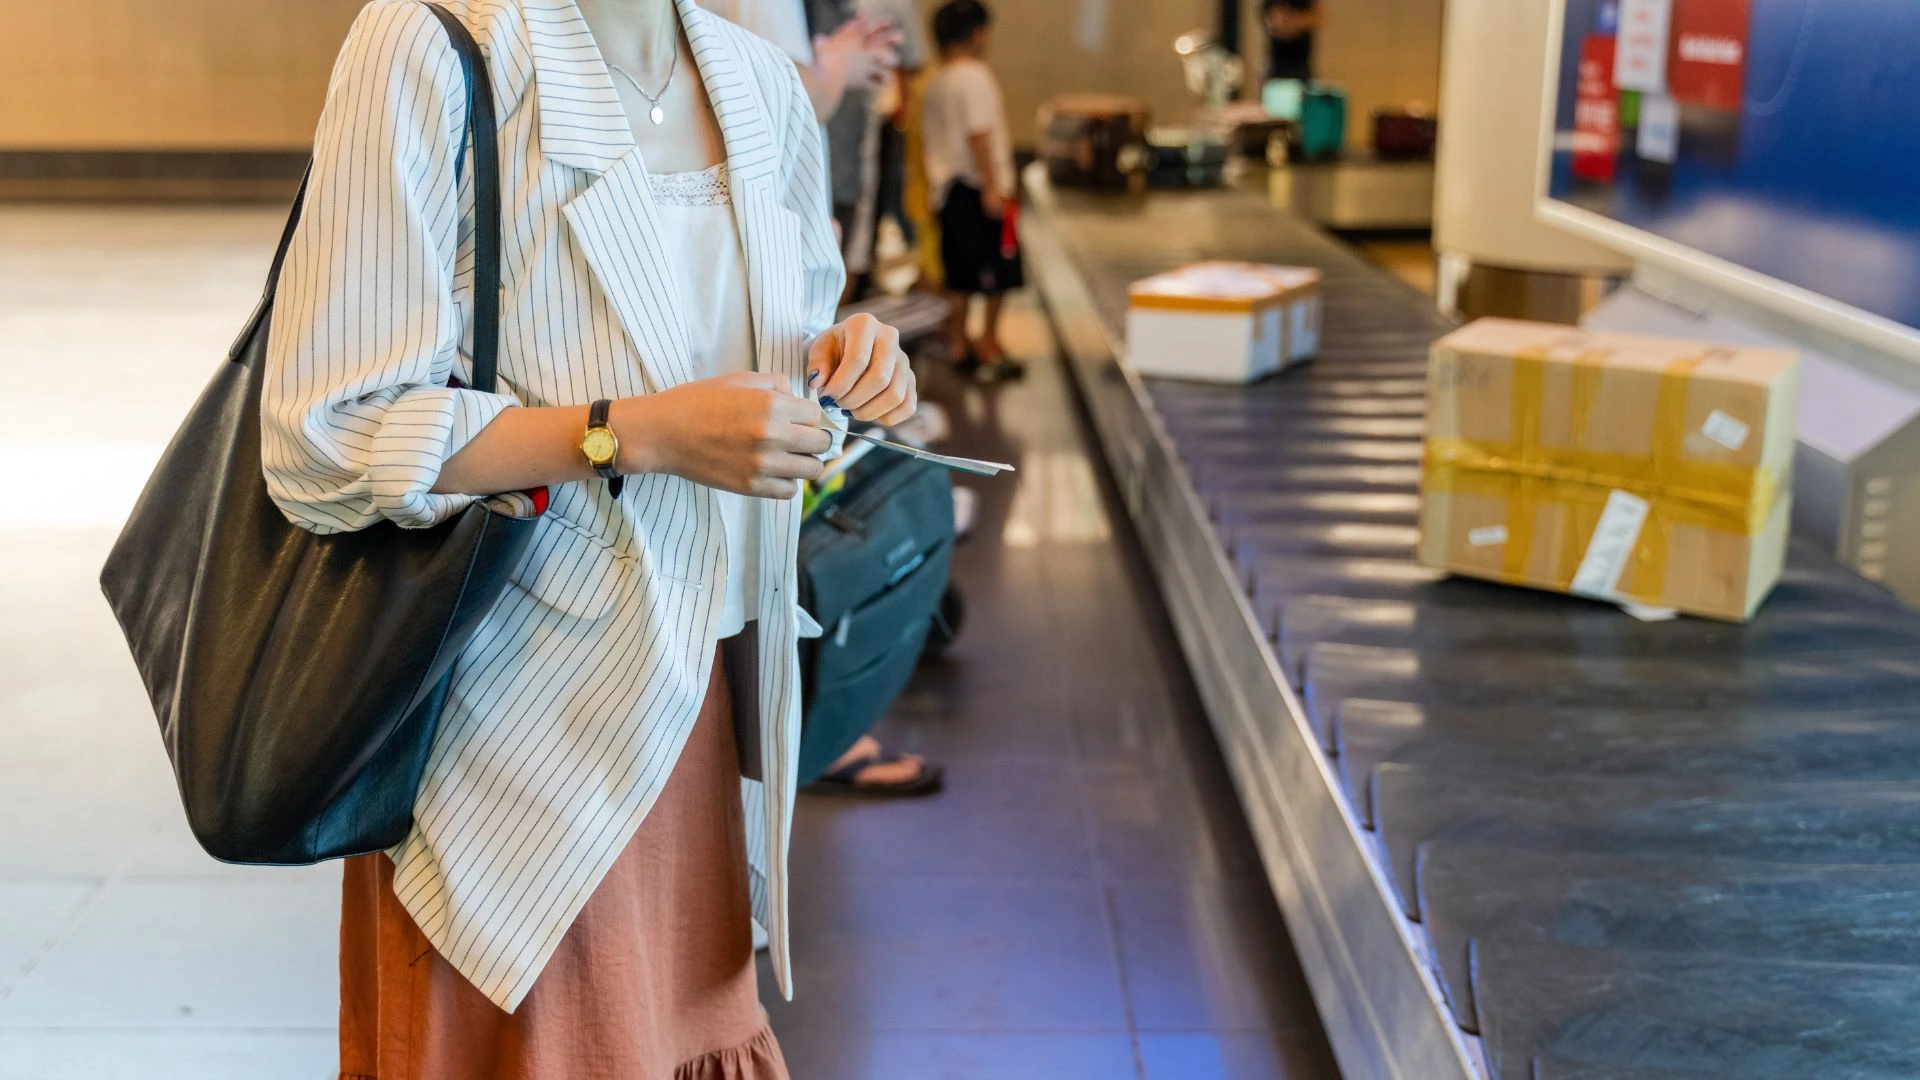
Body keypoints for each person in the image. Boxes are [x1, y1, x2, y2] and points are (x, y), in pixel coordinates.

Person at [262, 0, 917, 1076]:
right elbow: (323, 435)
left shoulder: (757, 85)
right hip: (509, 731)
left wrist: (845, 378)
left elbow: (780, 376)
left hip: (708, 704)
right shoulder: (435, 47)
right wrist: (632, 433)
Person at [923, 0, 1024, 380]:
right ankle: (988, 343)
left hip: (949, 190)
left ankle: (958, 343)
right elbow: (979, 135)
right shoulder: (974, 76)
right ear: (978, 33)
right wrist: (994, 188)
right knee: (996, 273)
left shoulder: (939, 80)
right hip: (977, 188)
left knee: (959, 275)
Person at [1263, 0, 1323, 83]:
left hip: (1302, 65)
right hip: (1276, 66)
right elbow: (1272, 23)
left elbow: (1319, 17)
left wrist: (1292, 22)